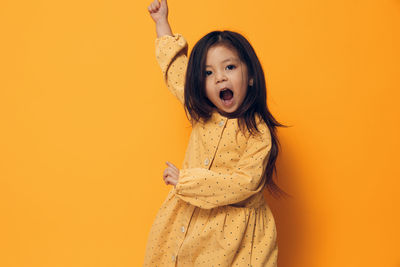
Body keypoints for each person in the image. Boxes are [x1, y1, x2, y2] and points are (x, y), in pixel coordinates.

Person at [145, 0, 290, 266]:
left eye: (230, 68)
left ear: (251, 76)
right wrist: (161, 23)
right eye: (209, 73)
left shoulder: (257, 132)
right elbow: (177, 70)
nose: (220, 78)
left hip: (236, 240)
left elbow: (244, 183)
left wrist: (186, 182)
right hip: (189, 223)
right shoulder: (203, 114)